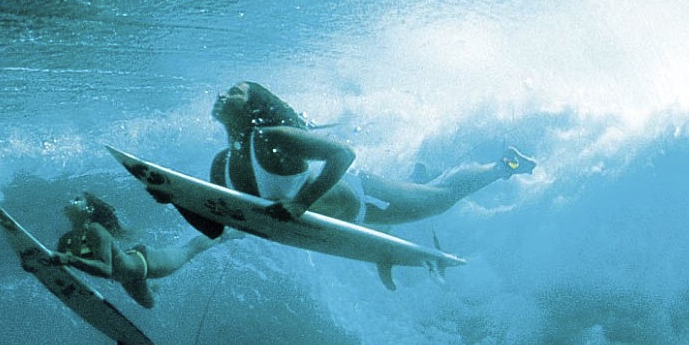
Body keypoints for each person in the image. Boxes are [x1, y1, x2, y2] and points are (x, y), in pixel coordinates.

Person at [209, 81, 536, 227]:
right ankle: (416, 179)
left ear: (253, 106)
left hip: (363, 198)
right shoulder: (223, 163)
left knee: (438, 199)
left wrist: (300, 203)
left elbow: (343, 154)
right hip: (348, 203)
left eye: (234, 92)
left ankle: (503, 165)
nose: (222, 94)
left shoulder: (271, 138)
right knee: (424, 193)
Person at [52, 192, 218, 309]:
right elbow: (57, 267)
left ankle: (224, 234)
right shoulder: (65, 239)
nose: (71, 200)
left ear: (89, 210)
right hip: (128, 278)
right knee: (150, 304)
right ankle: (153, 287)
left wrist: (70, 259)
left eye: (77, 199)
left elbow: (105, 269)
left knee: (189, 251)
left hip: (147, 263)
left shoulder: (95, 230)